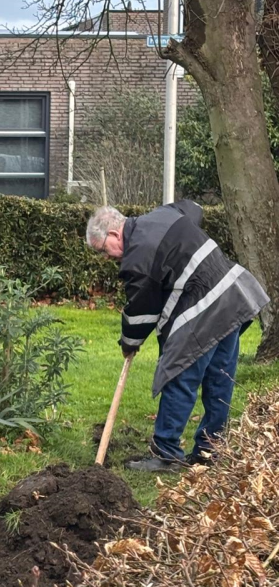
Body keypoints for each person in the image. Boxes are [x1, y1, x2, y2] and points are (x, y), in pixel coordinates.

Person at [87, 201, 268, 471]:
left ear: (114, 234)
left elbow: (141, 311)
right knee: (219, 379)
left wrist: (128, 343)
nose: (105, 257)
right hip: (232, 296)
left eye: (103, 250)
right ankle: (210, 451)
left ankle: (167, 455)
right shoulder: (165, 213)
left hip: (205, 306)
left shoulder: (138, 257)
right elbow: (194, 208)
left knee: (178, 374)